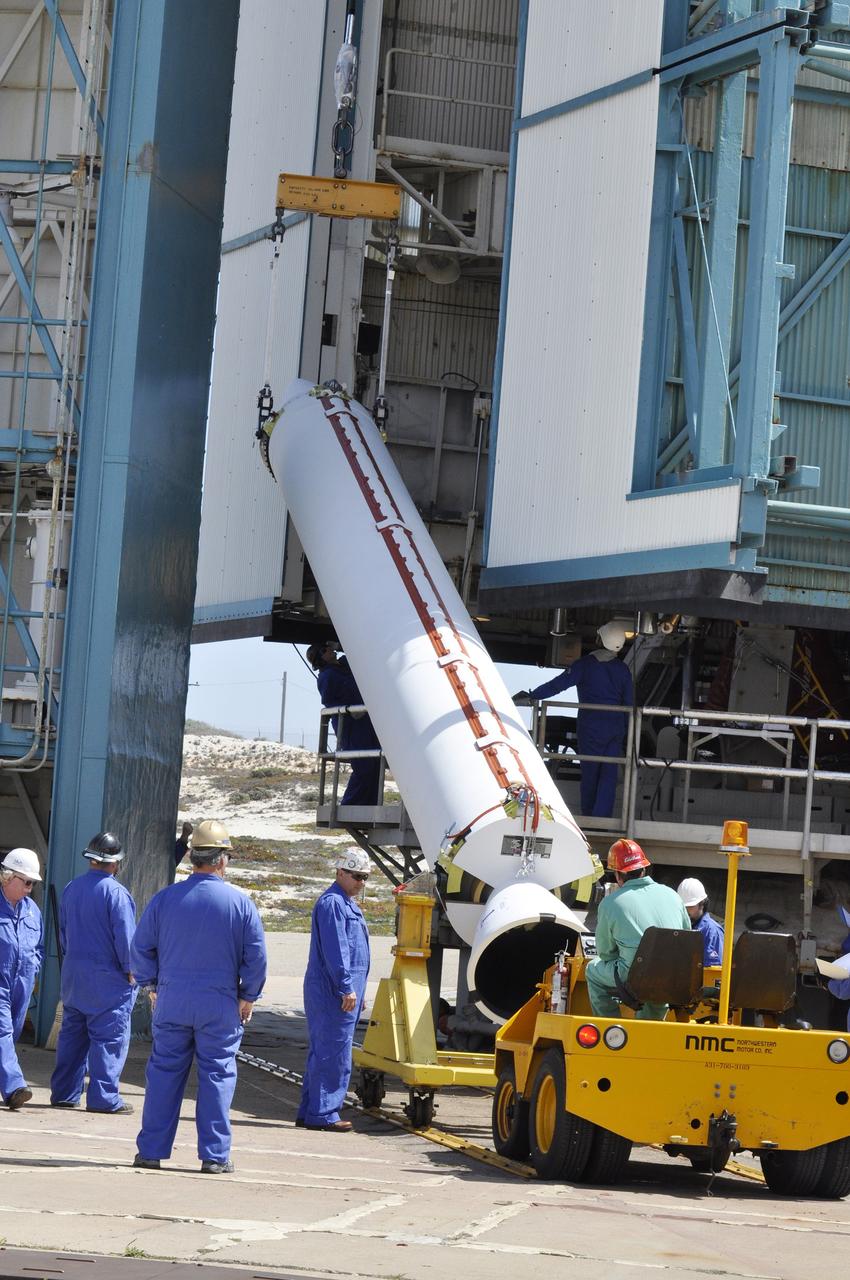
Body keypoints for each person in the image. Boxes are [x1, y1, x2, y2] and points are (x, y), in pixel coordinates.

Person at [130, 820, 267, 1174]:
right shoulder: (240, 904)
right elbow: (255, 958)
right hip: (219, 1003)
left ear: (192, 856)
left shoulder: (164, 899)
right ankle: (214, 1156)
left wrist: (152, 985)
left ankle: (150, 1152)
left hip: (172, 1000)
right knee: (217, 1077)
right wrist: (248, 996)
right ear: (222, 860)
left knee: (163, 1075)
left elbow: (141, 947)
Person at [50, 832, 137, 1113]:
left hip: (75, 978)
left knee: (73, 1037)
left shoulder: (72, 888)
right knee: (108, 1039)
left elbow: (64, 934)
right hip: (108, 981)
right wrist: (132, 971)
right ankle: (103, 1098)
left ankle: (64, 1093)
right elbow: (125, 939)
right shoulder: (117, 894)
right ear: (115, 863)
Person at [516, 620, 633, 818]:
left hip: (591, 727)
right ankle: (601, 817)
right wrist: (629, 733)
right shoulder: (622, 670)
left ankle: (589, 816)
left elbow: (558, 685)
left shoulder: (585, 665)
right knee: (608, 774)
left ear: (600, 639)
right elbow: (630, 703)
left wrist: (532, 695)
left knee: (590, 771)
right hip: (615, 727)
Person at [297, 849, 371, 1132]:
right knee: (334, 1053)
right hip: (332, 993)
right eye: (356, 876)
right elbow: (337, 951)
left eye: (364, 878)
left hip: (343, 992)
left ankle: (310, 1110)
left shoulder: (346, 903)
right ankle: (325, 1113)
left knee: (324, 1051)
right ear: (340, 872)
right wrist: (346, 988)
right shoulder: (333, 904)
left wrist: (357, 991)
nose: (361, 883)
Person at [584, 838, 690, 1021]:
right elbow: (686, 938)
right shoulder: (673, 895)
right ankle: (650, 1030)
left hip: (634, 976)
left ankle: (610, 1029)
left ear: (617, 874)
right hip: (671, 976)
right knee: (657, 976)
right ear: (644, 869)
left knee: (592, 971)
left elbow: (605, 954)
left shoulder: (611, 903)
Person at [307, 641, 382, 805]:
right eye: (325, 650)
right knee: (363, 767)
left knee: (375, 765)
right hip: (350, 726)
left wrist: (337, 647)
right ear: (321, 658)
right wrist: (348, 710)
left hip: (366, 723)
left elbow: (356, 653)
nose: (330, 651)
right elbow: (328, 700)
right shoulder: (327, 676)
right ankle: (350, 804)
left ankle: (371, 804)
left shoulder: (344, 665)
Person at [0, 847, 43, 1109]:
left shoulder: (32, 911)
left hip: (23, 984)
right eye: (26, 882)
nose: (29, 888)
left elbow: (38, 946)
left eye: (32, 883)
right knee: (2, 1031)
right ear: (7, 877)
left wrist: (34, 966)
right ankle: (15, 1086)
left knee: (10, 1034)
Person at [676, 877, 724, 967]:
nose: (685, 911)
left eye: (689, 906)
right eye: (683, 907)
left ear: (701, 904)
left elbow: (713, 971)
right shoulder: (678, 926)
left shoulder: (712, 931)